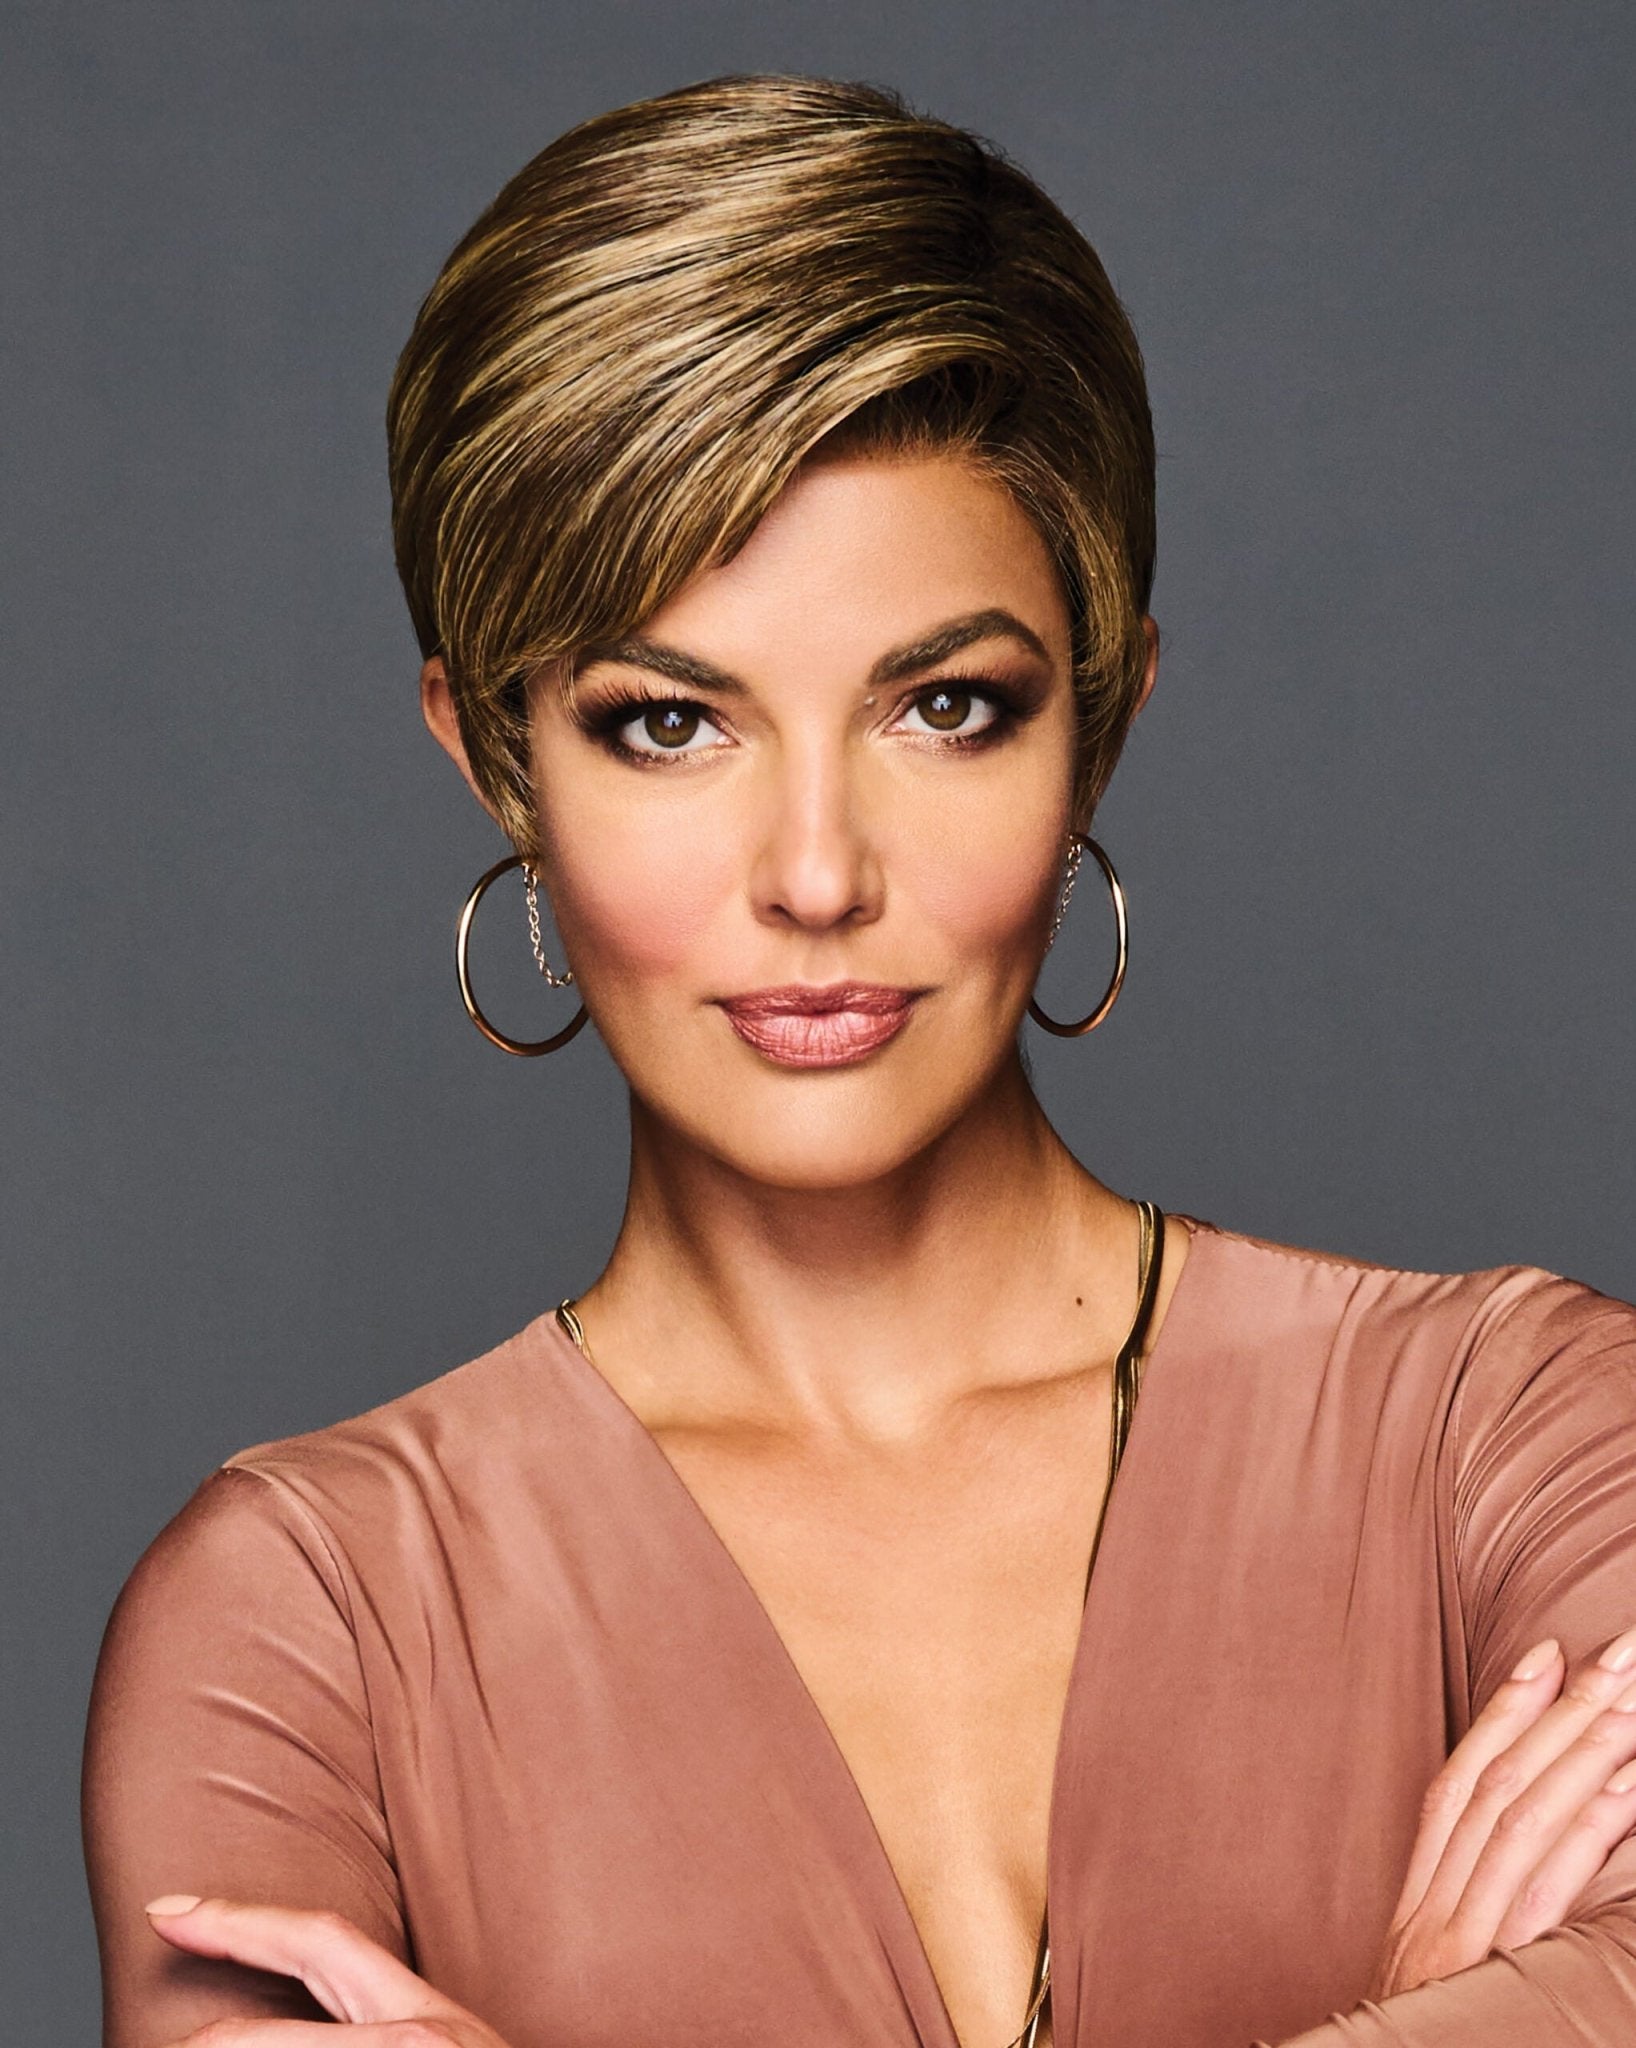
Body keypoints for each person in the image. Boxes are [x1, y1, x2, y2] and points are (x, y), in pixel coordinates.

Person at [81, 73, 1636, 2048]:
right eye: (668, 723)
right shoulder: (302, 1623)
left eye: (945, 707)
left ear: (1098, 719)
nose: (816, 874)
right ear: (496, 756)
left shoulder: (1516, 1437)